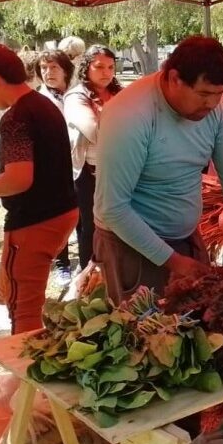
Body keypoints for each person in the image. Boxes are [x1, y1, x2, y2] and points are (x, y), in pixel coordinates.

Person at [93, 35, 223, 305]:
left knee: (200, 326)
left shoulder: (217, 111)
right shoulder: (129, 116)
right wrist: (173, 261)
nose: (212, 104)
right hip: (131, 245)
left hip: (186, 238)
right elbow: (112, 208)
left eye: (219, 93)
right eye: (204, 94)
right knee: (148, 336)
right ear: (174, 78)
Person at [0, 45, 78, 333]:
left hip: (34, 222)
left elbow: (19, 179)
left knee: (22, 301)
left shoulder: (16, 117)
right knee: (13, 286)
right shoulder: (44, 104)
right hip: (62, 212)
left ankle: (26, 368)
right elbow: (39, 172)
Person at [63, 45, 122, 274]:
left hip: (121, 168)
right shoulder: (76, 96)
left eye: (110, 67)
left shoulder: (121, 93)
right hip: (90, 171)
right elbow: (95, 130)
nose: (106, 72)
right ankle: (89, 274)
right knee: (92, 227)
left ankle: (117, 271)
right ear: (87, 67)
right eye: (99, 67)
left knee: (120, 223)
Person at [34, 50, 76, 277]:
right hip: (53, 167)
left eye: (53, 67)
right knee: (58, 216)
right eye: (43, 68)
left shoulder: (77, 94)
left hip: (79, 164)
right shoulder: (39, 100)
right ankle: (62, 264)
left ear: (65, 70)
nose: (48, 72)